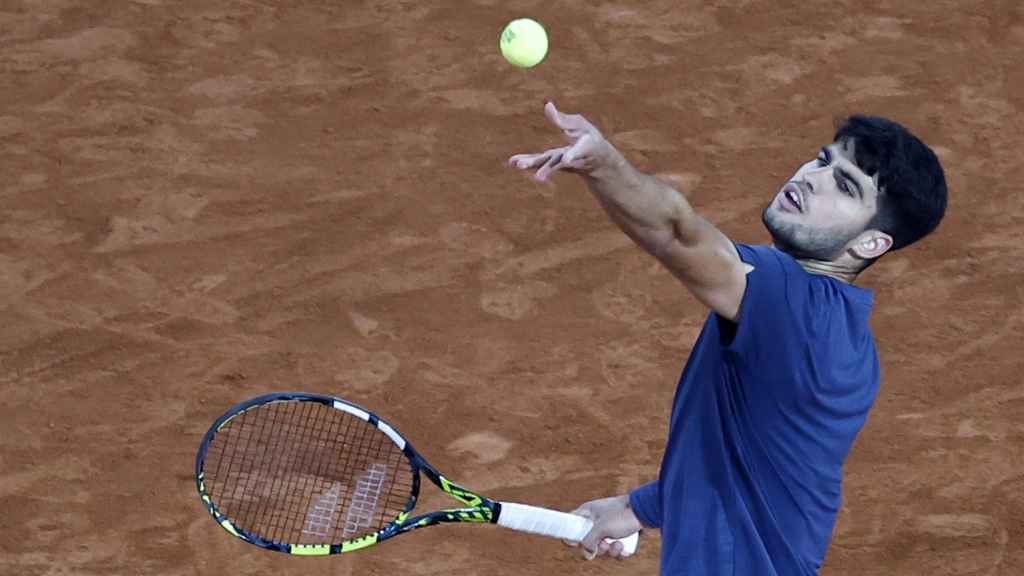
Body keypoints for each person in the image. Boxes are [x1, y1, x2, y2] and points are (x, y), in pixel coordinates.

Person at [508, 102, 948, 575]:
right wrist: (641, 508)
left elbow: (677, 233)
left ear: (869, 243)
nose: (812, 178)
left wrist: (603, 163)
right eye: (823, 161)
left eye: (844, 187)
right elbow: (755, 470)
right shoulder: (848, 342)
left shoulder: (791, 307)